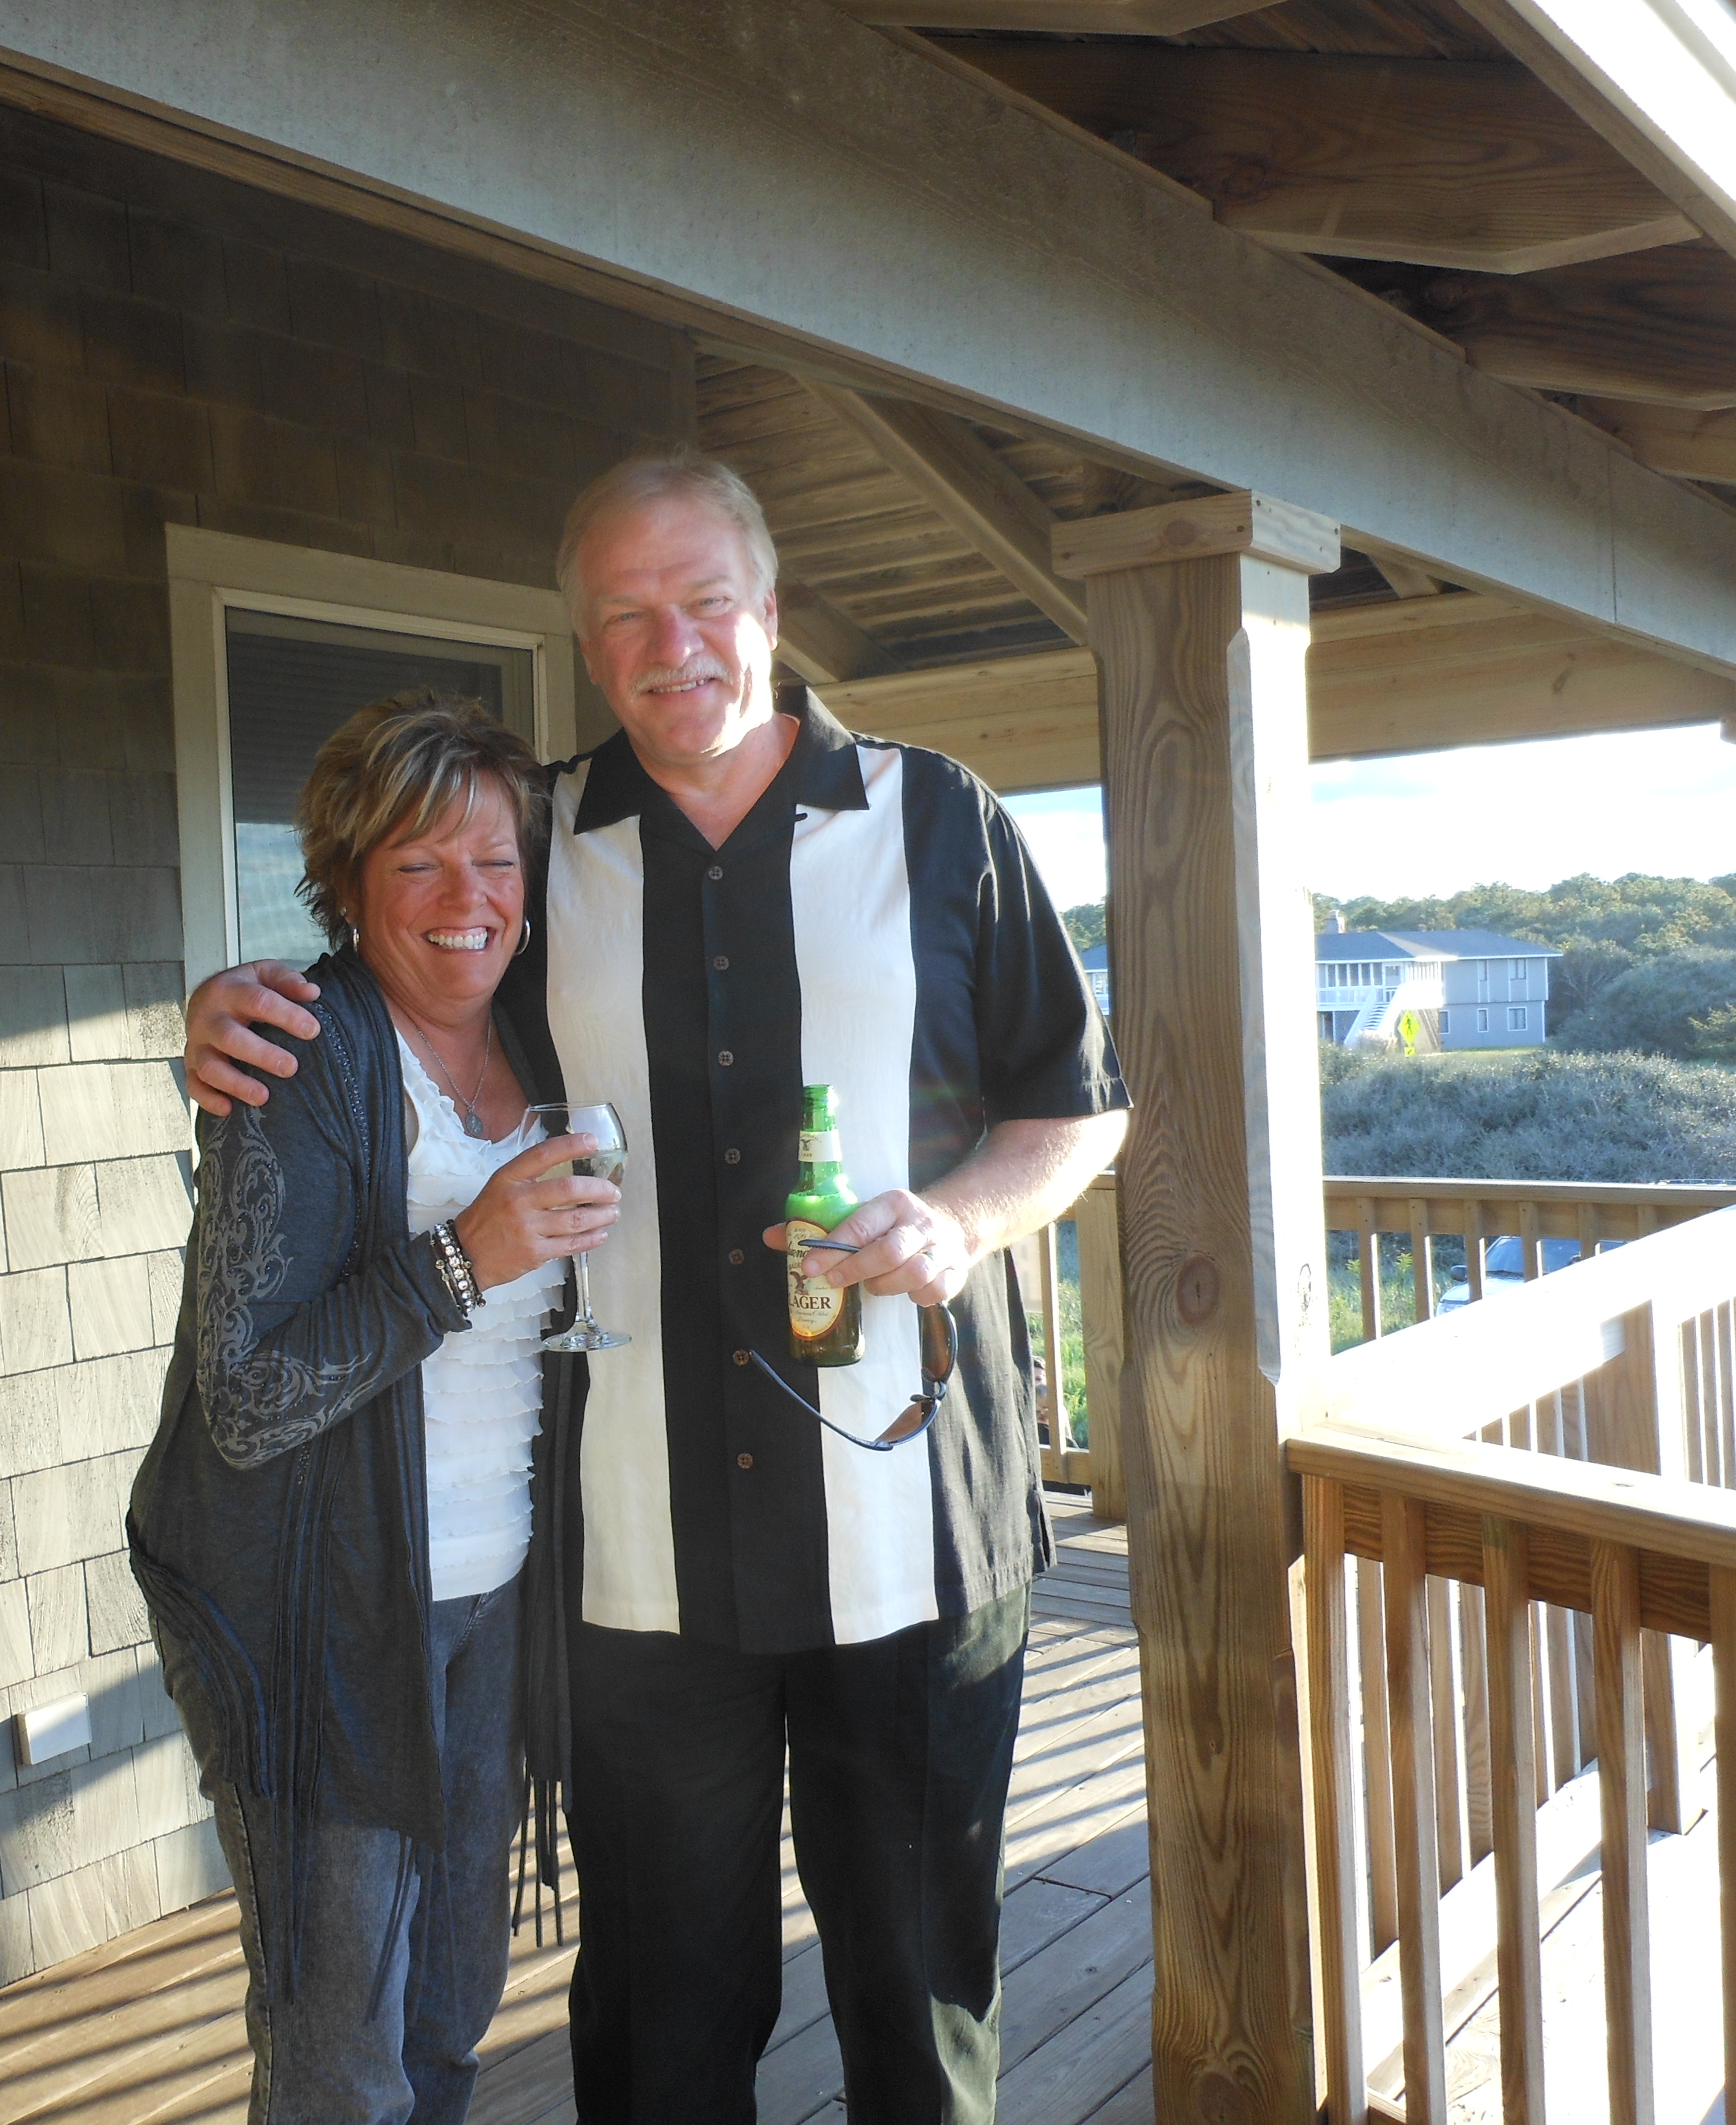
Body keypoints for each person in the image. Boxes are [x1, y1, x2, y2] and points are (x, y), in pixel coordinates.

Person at [184, 454, 1130, 2125]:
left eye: (703, 602)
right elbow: (407, 974)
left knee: (922, 2015)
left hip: (913, 1528)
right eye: (625, 614)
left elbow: (1078, 1106)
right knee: (659, 2035)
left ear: (769, 609)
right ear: (585, 639)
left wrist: (967, 1220)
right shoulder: (539, 840)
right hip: (633, 1565)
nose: (670, 644)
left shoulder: (940, 819)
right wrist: (232, 1014)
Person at [130, 691, 622, 2125]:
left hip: (493, 1598)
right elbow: (245, 1397)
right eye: (420, 864)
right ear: (348, 887)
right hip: (324, 1622)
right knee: (340, 2059)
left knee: (452, 2013)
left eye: (497, 861)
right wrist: (468, 1256)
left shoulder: (545, 1034)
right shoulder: (300, 1053)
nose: (469, 900)